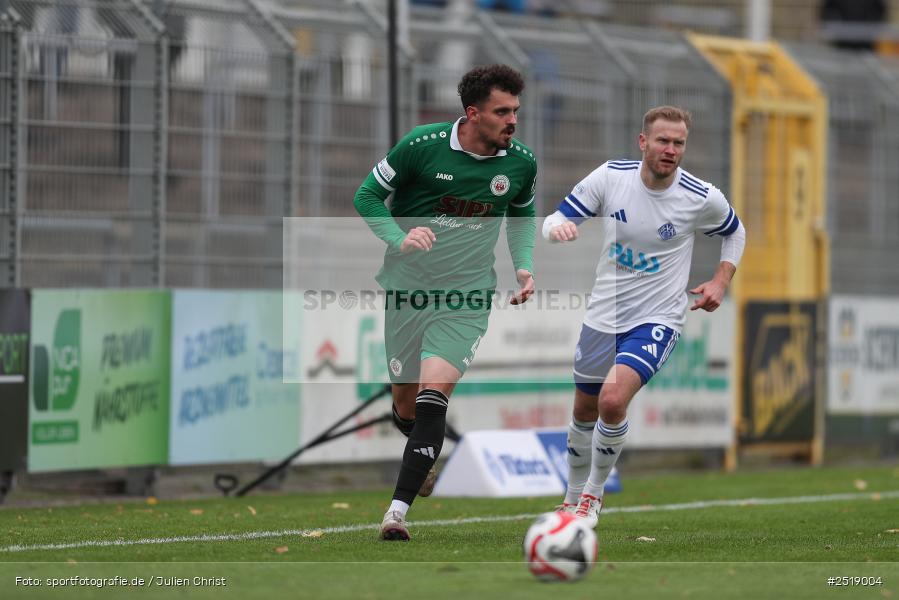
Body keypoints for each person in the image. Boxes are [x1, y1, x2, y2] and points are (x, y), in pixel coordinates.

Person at [354, 64, 538, 541]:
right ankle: (423, 453)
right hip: (408, 290)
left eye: (516, 110)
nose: (512, 120)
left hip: (467, 296)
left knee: (434, 397)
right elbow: (368, 196)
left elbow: (521, 216)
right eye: (502, 112)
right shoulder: (420, 146)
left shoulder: (520, 163)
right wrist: (398, 236)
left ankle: (396, 513)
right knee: (406, 402)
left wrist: (523, 265)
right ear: (473, 113)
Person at [542, 106, 745, 527]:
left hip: (658, 317)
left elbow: (735, 232)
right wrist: (557, 228)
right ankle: (571, 498)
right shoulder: (611, 177)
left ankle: (592, 498)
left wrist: (721, 281)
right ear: (643, 142)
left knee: (612, 399)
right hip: (604, 314)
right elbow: (556, 217)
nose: (671, 150)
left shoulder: (699, 195)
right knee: (584, 409)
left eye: (679, 143)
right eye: (663, 141)